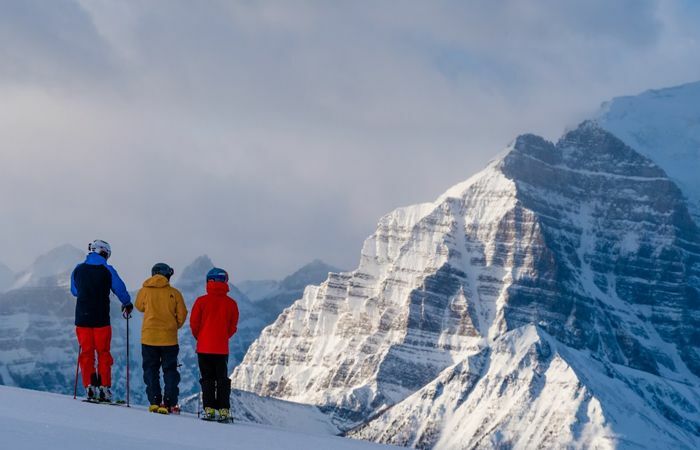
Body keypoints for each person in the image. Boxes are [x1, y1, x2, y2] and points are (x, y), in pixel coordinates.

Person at [70, 239, 133, 402]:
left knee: (86, 353)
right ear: (103, 252)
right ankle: (104, 388)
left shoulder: (78, 269)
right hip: (101, 319)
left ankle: (89, 386)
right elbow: (119, 288)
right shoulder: (107, 269)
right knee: (103, 352)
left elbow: (74, 291)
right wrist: (127, 303)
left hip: (82, 318)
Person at [135, 263, 188, 414]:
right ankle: (169, 403)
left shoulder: (144, 291)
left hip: (148, 338)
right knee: (170, 371)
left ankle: (154, 401)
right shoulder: (175, 293)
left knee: (151, 370)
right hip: (169, 339)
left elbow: (139, 306)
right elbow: (182, 314)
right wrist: (173, 326)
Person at [190, 267, 239, 421]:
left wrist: (201, 337)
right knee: (222, 379)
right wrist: (223, 337)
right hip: (222, 348)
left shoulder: (201, 301)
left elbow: (194, 324)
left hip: (204, 347)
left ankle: (209, 409)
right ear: (225, 281)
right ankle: (224, 410)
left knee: (207, 378)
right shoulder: (231, 303)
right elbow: (233, 326)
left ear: (209, 281)